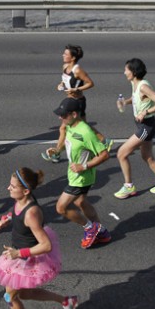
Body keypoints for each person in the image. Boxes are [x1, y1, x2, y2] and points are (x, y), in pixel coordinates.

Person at [0, 167, 78, 309]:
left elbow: (46, 245)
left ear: (26, 191)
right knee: (24, 294)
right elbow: (16, 212)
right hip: (19, 254)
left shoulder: (31, 213)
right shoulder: (21, 200)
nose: (8, 188)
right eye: (10, 185)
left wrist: (18, 253)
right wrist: (5, 220)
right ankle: (66, 301)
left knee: (10, 296)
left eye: (13, 186)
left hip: (25, 258)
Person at [49, 97, 111, 249]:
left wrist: (84, 166)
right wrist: (57, 150)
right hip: (74, 174)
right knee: (80, 202)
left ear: (74, 114)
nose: (60, 118)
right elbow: (67, 141)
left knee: (61, 208)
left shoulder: (86, 132)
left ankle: (90, 228)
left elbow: (104, 155)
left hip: (81, 177)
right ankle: (102, 232)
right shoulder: (69, 125)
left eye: (63, 115)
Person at [113, 58, 155, 199]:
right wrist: (125, 102)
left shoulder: (143, 87)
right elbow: (137, 98)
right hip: (144, 125)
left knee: (121, 154)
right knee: (147, 157)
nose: (124, 72)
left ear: (133, 72)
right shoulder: (134, 83)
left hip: (147, 126)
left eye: (126, 70)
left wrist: (145, 112)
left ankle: (129, 186)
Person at [42, 44, 112, 163]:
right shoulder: (65, 67)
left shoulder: (78, 70)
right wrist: (61, 85)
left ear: (73, 58)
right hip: (70, 100)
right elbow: (65, 79)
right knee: (83, 125)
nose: (63, 55)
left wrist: (77, 89)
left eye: (66, 54)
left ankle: (57, 153)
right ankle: (104, 141)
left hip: (78, 102)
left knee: (64, 128)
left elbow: (90, 83)